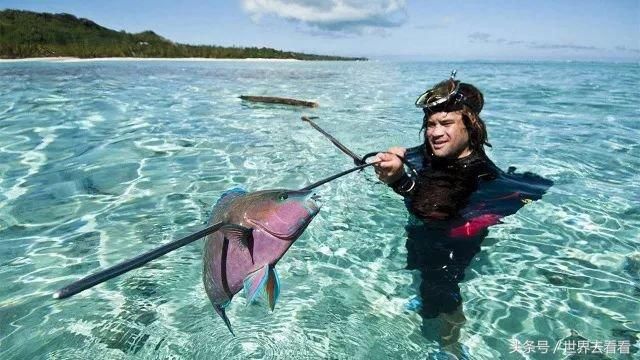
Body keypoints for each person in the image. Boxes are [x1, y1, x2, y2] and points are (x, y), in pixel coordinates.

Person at [373, 72, 552, 350]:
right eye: (431, 124)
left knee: (443, 292)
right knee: (420, 265)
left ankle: (451, 347)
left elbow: (432, 212)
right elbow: (410, 153)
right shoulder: (431, 152)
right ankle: (425, 299)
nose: (435, 133)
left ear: (471, 126)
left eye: (446, 123)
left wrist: (400, 181)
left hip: (454, 241)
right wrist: (396, 155)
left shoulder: (480, 174)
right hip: (422, 235)